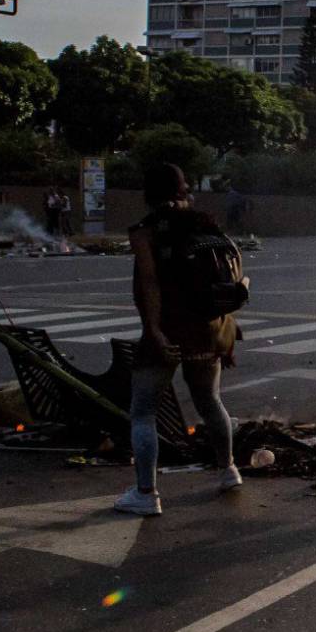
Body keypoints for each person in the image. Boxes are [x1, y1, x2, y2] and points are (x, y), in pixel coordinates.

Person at [114, 163, 241, 517]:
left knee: (143, 411)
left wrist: (153, 330)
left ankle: (146, 492)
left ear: (148, 191)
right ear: (183, 188)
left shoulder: (146, 231)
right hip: (210, 328)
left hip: (169, 329)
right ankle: (228, 469)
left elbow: (151, 284)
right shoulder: (206, 222)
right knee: (210, 401)